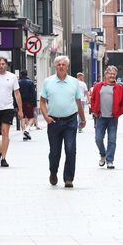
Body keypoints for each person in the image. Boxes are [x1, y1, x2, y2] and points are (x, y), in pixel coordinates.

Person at [39, 55, 86, 188]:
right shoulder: (48, 82)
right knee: (55, 151)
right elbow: (42, 102)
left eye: (63, 64)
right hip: (53, 121)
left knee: (70, 150)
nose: (61, 66)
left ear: (67, 67)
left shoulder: (74, 82)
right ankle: (53, 172)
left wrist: (82, 119)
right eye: (58, 64)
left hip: (70, 120)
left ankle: (68, 178)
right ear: (55, 66)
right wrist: (46, 117)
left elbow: (78, 102)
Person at [0, 57, 23, 167]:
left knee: (5, 132)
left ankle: (3, 158)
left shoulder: (12, 77)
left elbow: (17, 94)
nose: (1, 65)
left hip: (8, 108)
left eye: (3, 64)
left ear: (6, 65)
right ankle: (0, 150)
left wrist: (20, 110)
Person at [90, 66, 123, 169]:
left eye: (113, 74)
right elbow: (92, 100)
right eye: (110, 73)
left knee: (112, 140)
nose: (112, 75)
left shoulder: (119, 88)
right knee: (98, 139)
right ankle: (103, 154)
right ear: (105, 74)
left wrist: (117, 113)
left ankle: (110, 160)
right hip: (100, 117)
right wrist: (94, 110)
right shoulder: (98, 86)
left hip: (113, 118)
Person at [18, 70, 38, 141]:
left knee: (22, 118)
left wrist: (15, 105)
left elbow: (15, 94)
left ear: (21, 74)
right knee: (31, 118)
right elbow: (33, 94)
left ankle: (24, 134)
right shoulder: (30, 82)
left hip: (20, 102)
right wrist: (35, 104)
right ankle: (27, 129)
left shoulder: (18, 82)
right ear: (27, 74)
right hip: (29, 103)